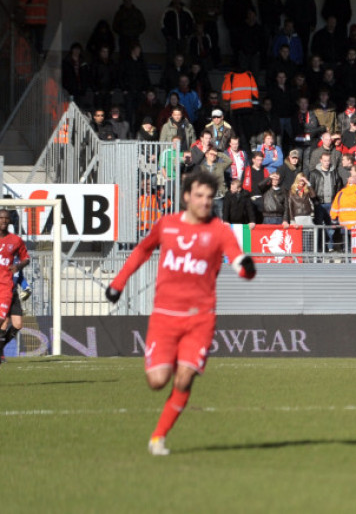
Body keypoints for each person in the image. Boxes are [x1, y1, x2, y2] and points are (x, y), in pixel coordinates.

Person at [104, 171, 258, 455]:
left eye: (210, 197)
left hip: (200, 318)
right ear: (187, 196)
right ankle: (171, 360)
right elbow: (142, 250)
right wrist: (118, 283)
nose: (205, 202)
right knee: (157, 381)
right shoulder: (167, 225)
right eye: (199, 196)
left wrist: (246, 268)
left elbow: (236, 257)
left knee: (185, 377)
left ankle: (158, 437)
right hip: (164, 316)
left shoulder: (219, 230)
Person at [0, 210, 30, 362]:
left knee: (17, 324)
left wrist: (18, 267)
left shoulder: (16, 241)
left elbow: (26, 259)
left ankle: (1, 349)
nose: (4, 220)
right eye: (1, 218)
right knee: (2, 321)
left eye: (6, 218)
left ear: (10, 221)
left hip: (10, 287)